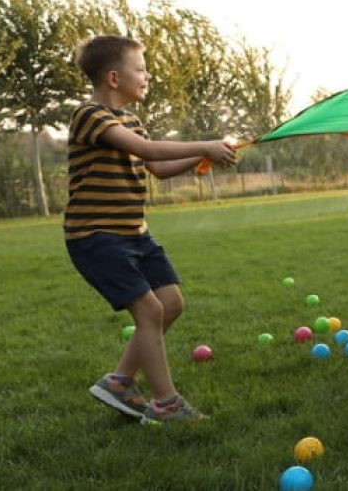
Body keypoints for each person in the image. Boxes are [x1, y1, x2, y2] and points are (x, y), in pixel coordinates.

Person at [66, 35, 236, 424]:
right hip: (96, 236)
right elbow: (148, 151)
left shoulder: (131, 120)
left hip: (134, 234)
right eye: (140, 69)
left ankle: (120, 382)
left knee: (171, 303)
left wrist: (204, 155)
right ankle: (165, 402)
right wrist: (206, 145)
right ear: (113, 77)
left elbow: (156, 167)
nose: (147, 75)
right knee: (149, 310)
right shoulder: (90, 115)